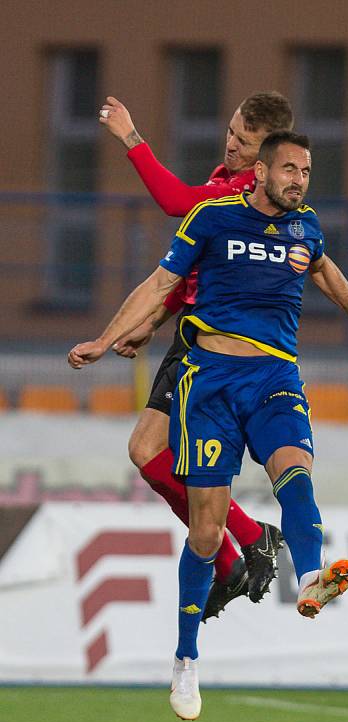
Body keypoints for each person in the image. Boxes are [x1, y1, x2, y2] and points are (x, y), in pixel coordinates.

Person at [68, 130, 348, 720]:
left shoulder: (307, 227)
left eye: (307, 170)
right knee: (205, 533)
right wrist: (107, 338)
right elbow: (161, 283)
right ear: (264, 172)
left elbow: (326, 271)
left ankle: (311, 578)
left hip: (274, 380)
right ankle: (186, 660)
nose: (300, 179)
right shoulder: (213, 219)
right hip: (210, 385)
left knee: (296, 472)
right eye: (291, 169)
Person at [97, 93, 296, 618]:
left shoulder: (245, 191)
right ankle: (242, 548)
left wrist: (132, 138)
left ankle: (244, 544)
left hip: (216, 354)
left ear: (266, 159)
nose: (230, 144)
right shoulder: (228, 179)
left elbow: (173, 200)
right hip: (189, 334)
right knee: (147, 453)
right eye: (230, 131)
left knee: (149, 451)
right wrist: (150, 322)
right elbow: (191, 270)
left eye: (244, 141)